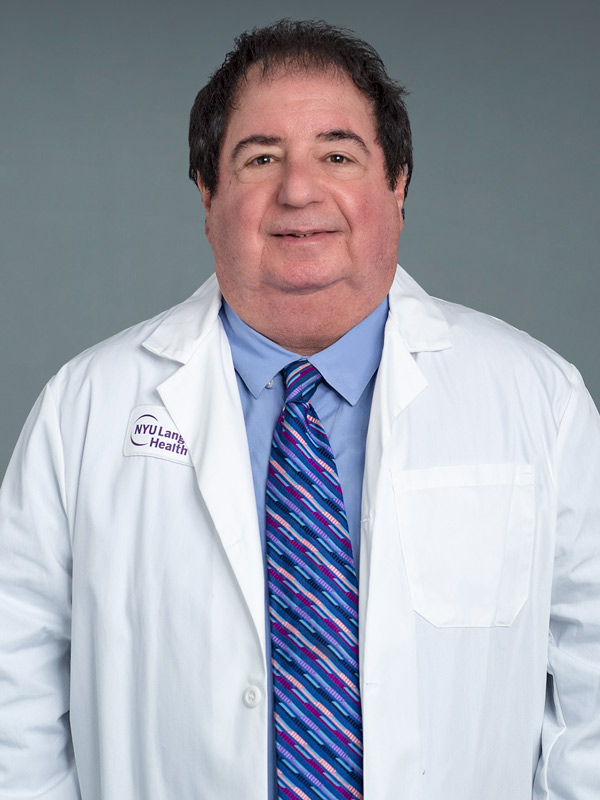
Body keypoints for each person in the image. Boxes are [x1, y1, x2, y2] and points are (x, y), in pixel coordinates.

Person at [0, 18, 598, 800]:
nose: (299, 190)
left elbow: (591, 686)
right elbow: (14, 691)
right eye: (261, 157)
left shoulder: (539, 401)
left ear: (398, 185)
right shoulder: (85, 409)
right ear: (208, 193)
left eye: (337, 154)